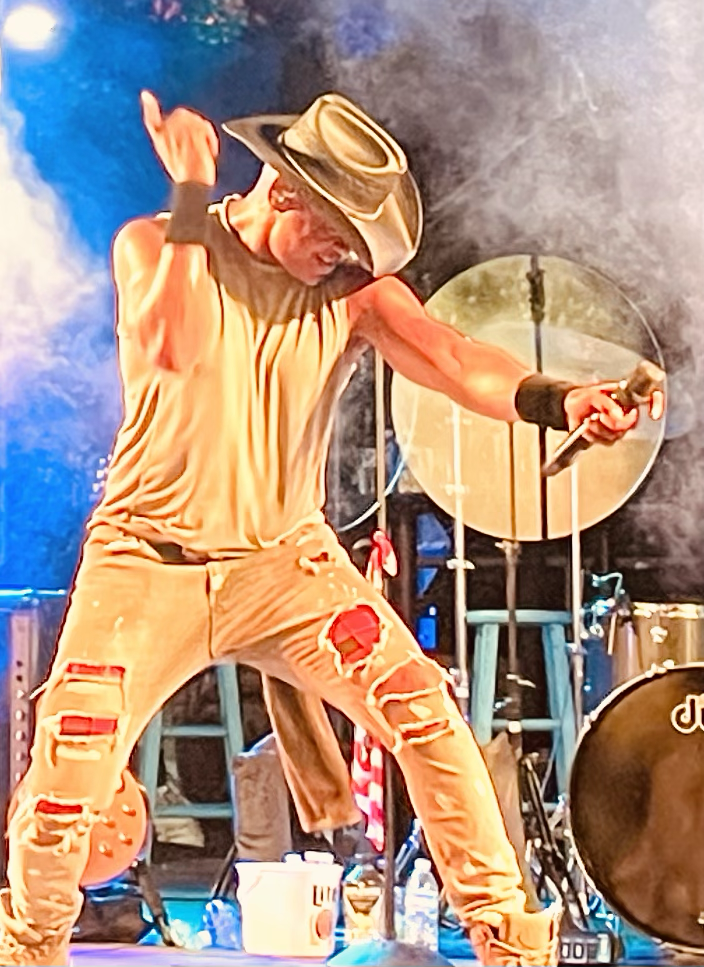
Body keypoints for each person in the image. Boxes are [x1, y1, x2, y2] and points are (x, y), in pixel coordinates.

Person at [0, 90, 663, 967]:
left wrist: (562, 399)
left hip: (284, 564)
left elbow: (457, 359)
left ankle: (513, 944)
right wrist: (195, 189)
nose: (347, 257)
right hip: (144, 564)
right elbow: (173, 339)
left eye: (357, 246)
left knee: (424, 709)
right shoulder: (156, 242)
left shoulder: (351, 294)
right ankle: (26, 951)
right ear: (283, 194)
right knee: (68, 775)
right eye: (336, 237)